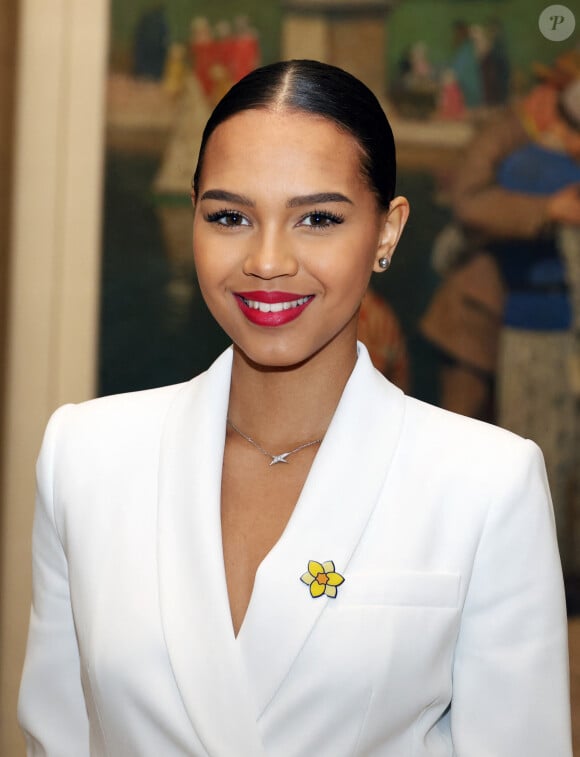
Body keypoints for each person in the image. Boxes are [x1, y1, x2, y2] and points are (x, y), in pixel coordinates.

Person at [18, 60, 571, 756]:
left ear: (386, 233)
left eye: (317, 218)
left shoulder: (486, 483)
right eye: (229, 216)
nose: (268, 260)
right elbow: (57, 736)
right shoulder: (85, 457)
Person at [421, 76, 580, 571]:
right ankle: (448, 569)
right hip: (478, 315)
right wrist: (547, 209)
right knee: (465, 450)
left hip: (530, 317)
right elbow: (472, 207)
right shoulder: (510, 143)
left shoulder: (548, 152)